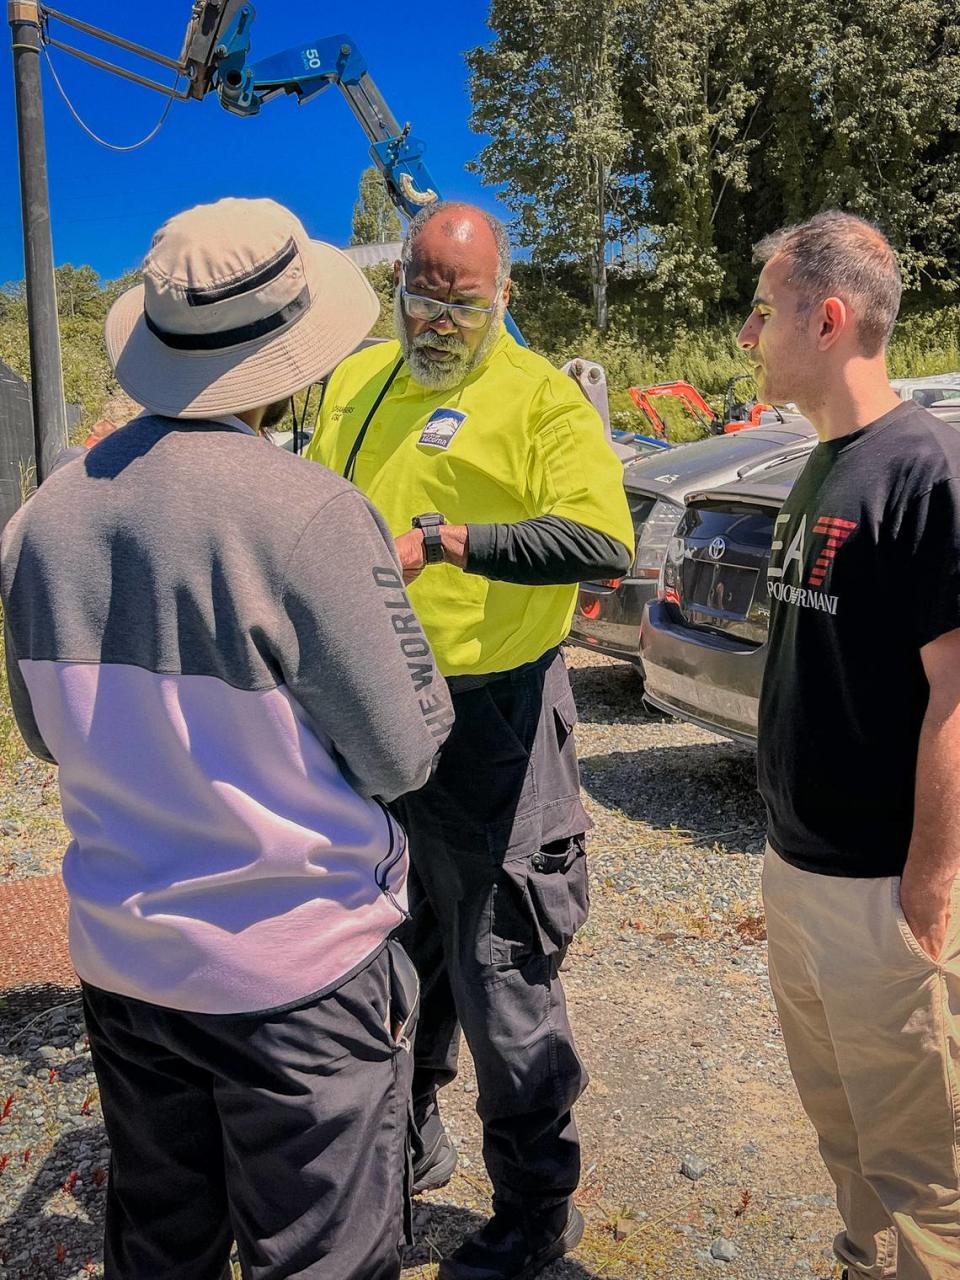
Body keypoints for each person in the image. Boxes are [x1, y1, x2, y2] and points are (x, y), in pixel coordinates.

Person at [0, 197, 453, 1280]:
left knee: (161, 1246)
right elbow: (403, 753)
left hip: (126, 958)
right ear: (285, 361)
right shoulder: (311, 512)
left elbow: (46, 735)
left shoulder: (41, 520)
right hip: (296, 973)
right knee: (322, 1255)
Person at [305, 201, 634, 1280]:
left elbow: (600, 540)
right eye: (424, 292)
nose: (439, 317)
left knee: (501, 969)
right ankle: (415, 1139)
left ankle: (537, 1209)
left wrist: (450, 540)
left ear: (504, 296)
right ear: (398, 278)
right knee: (397, 947)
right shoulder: (356, 382)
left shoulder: (538, 399)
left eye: (464, 298)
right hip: (377, 711)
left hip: (497, 723)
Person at [738, 211, 960, 1280]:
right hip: (801, 869)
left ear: (827, 320)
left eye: (765, 310)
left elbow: (958, 693)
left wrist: (931, 878)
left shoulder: (926, 470)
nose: (749, 334)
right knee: (845, 1126)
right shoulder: (822, 462)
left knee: (928, 1163)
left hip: (883, 891)